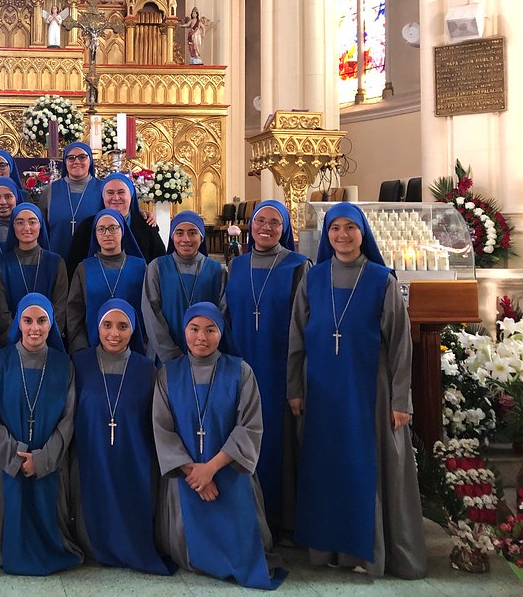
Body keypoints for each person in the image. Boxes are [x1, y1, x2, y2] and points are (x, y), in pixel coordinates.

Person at [287, 202, 427, 578]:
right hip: (321, 394)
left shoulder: (383, 279)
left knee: (363, 466)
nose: (342, 235)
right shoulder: (312, 279)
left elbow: (400, 345)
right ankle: (328, 548)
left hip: (369, 393)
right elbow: (296, 339)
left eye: (351, 227)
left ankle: (366, 553)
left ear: (363, 232)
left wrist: (402, 400)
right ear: (327, 233)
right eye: (335, 228)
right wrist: (295, 389)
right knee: (326, 468)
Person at [152, 302, 284, 589]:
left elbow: (249, 426)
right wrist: (194, 473)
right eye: (194, 329)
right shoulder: (168, 374)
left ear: (221, 332)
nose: (202, 337)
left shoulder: (241, 371)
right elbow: (163, 430)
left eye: (210, 329)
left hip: (229, 471)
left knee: (245, 548)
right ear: (184, 331)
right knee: (185, 549)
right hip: (186, 478)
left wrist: (209, 469)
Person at [0, 294, 82, 575]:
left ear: (51, 324)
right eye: (27, 320)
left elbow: (69, 419)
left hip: (48, 461)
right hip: (5, 463)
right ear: (18, 324)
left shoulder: (64, 365)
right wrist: (15, 455)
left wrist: (43, 458)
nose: (35, 328)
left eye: (42, 321)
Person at [224, 200, 310, 535]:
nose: (266, 228)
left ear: (285, 228)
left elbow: (304, 325)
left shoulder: (298, 266)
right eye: (260, 221)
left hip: (280, 368)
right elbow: (227, 317)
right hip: (242, 366)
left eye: (275, 223)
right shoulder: (237, 265)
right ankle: (246, 519)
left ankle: (282, 522)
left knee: (278, 444)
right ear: (250, 225)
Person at [71, 299, 173, 575]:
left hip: (133, 457)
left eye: (122, 326)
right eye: (107, 325)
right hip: (92, 454)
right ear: (97, 327)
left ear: (133, 330)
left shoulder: (147, 370)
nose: (114, 333)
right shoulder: (79, 364)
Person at [142, 211, 226, 364]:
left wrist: (205, 349)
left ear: (201, 237)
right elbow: (150, 312)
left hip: (205, 354)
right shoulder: (157, 267)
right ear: (172, 237)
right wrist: (171, 354)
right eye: (179, 233)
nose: (185, 239)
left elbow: (223, 313)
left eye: (192, 233)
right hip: (164, 355)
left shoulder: (217, 270)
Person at [66, 209, 147, 355]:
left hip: (133, 349)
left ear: (122, 230)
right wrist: (80, 349)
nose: (107, 234)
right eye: (101, 229)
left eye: (113, 228)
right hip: (91, 348)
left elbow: (148, 311)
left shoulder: (140, 267)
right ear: (95, 234)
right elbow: (74, 312)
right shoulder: (84, 268)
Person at [0, 202, 68, 340]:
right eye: (20, 222)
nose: (27, 227)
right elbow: (0, 309)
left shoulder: (55, 262)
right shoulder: (2, 263)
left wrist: (42, 335)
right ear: (13, 227)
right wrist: (17, 337)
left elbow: (60, 308)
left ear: (40, 225)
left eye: (32, 222)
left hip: (47, 341)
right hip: (13, 343)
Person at [66, 172, 165, 274]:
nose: (116, 198)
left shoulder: (146, 224)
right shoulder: (87, 226)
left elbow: (160, 264)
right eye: (110, 192)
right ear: (103, 196)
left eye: (121, 192)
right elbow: (73, 266)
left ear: (131, 195)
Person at [39, 142, 103, 257]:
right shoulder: (50, 191)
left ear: (90, 160)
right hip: (57, 260)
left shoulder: (103, 189)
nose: (77, 161)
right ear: (65, 161)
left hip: (91, 261)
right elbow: (41, 229)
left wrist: (141, 213)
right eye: (71, 158)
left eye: (82, 157)